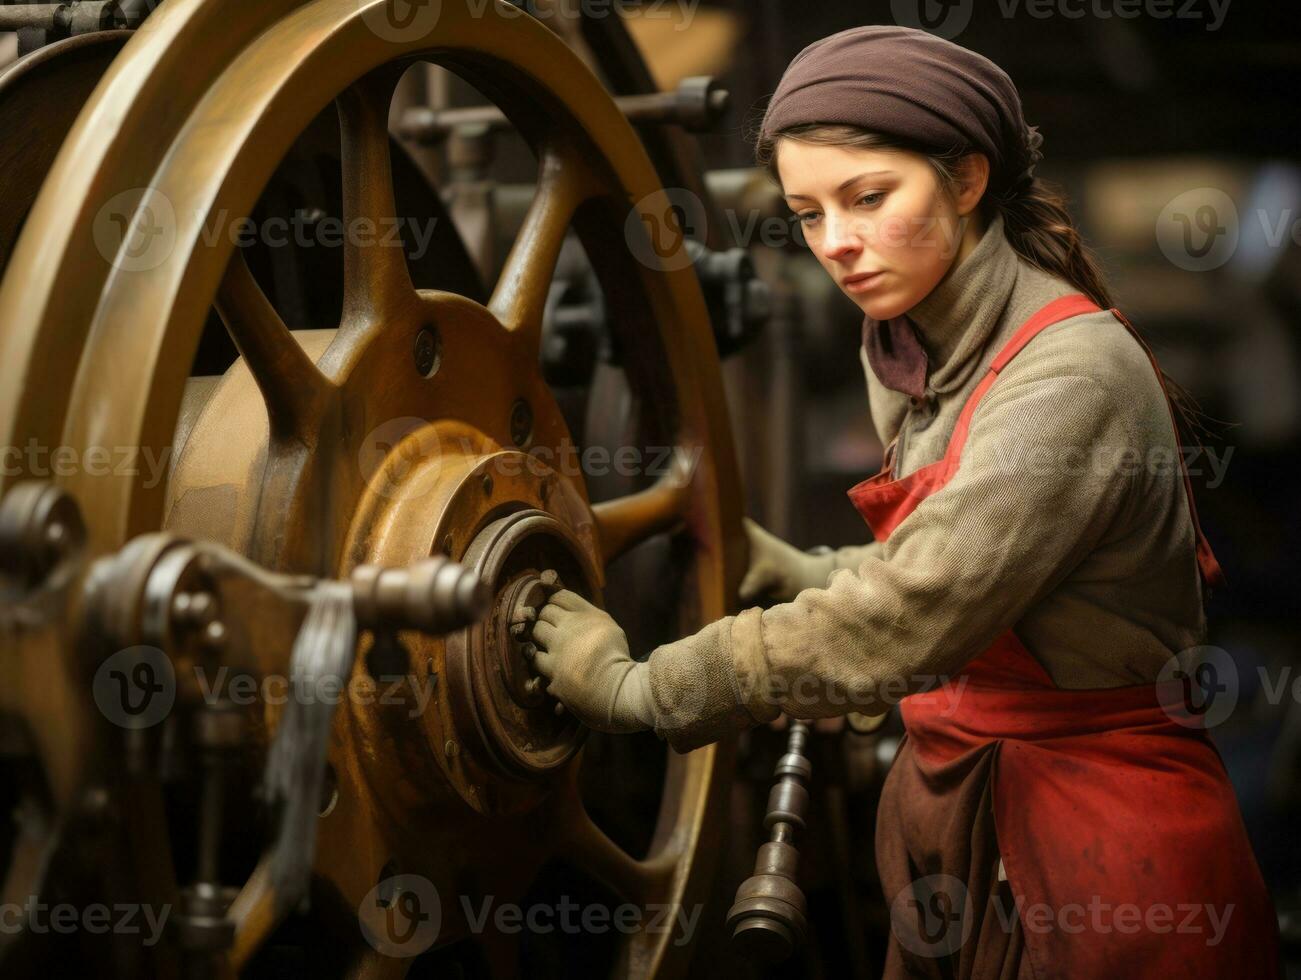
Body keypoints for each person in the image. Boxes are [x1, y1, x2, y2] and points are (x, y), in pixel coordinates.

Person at [524, 25, 1280, 978]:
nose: (836, 244)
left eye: (868, 198)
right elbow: (975, 568)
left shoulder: (1068, 376)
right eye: (806, 213)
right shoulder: (910, 350)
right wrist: (818, 572)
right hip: (977, 824)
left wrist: (644, 690)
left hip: (1103, 857)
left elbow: (911, 617)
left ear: (966, 181)